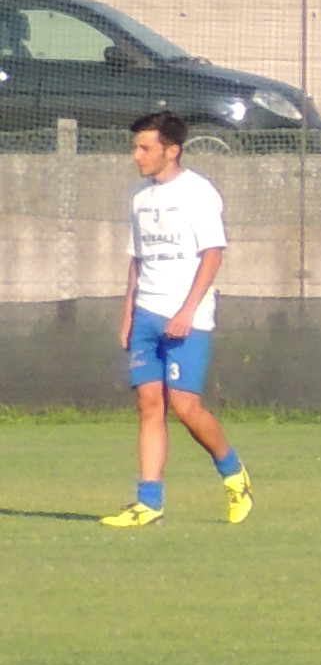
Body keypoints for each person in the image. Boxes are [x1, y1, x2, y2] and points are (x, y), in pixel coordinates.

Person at [107, 105, 248, 530]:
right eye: (135, 147)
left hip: (186, 316)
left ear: (171, 150)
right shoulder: (138, 198)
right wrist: (128, 313)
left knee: (185, 407)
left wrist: (187, 310)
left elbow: (213, 253)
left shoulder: (197, 192)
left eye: (144, 147)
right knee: (149, 405)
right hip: (147, 314)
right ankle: (148, 502)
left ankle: (233, 473)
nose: (137, 155)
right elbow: (137, 260)